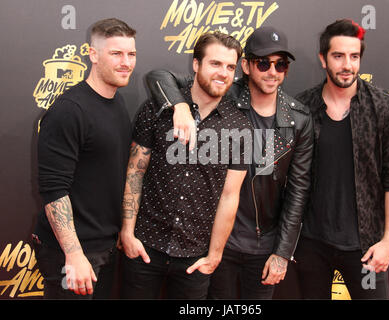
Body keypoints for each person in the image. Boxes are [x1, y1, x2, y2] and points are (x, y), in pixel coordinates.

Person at [144, 26, 314, 299]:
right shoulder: (224, 94)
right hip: (217, 240)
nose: (272, 72)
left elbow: (298, 192)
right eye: (263, 63)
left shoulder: (298, 120)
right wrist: (181, 106)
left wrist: (282, 252)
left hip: (263, 245)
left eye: (281, 64)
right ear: (246, 66)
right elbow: (158, 76)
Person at [119, 31, 252, 299]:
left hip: (194, 260)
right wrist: (127, 232)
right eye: (215, 63)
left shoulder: (240, 127)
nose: (223, 73)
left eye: (230, 66)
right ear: (196, 64)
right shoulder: (158, 108)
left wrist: (214, 256)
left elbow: (229, 196)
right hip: (144, 246)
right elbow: (135, 172)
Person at [294, 19, 389, 299]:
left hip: (366, 246)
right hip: (311, 244)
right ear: (323, 59)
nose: (347, 65)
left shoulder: (382, 107)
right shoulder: (302, 107)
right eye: (338, 56)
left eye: (354, 56)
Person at [33, 18, 136, 299]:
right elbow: (54, 190)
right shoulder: (70, 110)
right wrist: (74, 255)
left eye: (131, 54)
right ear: (93, 54)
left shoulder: (117, 102)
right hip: (72, 253)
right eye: (116, 53)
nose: (126, 62)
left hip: (104, 245)